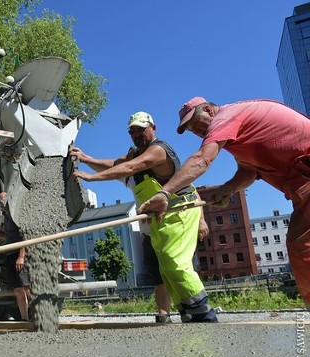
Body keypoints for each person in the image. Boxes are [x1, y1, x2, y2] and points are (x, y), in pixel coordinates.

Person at [138, 97, 310, 310]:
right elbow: (249, 171)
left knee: (302, 245)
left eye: (195, 122)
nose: (195, 129)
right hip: (302, 182)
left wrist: (165, 193)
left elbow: (202, 159)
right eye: (191, 128)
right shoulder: (239, 132)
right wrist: (228, 188)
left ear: (209, 110)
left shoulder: (226, 118)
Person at [71, 111, 216, 322]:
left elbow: (131, 166)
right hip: (159, 220)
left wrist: (92, 178)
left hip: (179, 212)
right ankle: (187, 310)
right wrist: (86, 159)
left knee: (175, 262)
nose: (137, 135)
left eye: (141, 130)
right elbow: (117, 164)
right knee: (164, 269)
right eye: (132, 132)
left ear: (153, 128)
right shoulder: (135, 154)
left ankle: (203, 312)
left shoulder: (159, 151)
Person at [0, 191, 30, 321]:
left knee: (26, 288)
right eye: (0, 201)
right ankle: (24, 319)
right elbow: (7, 236)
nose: (2, 204)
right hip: (9, 255)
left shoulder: (16, 214)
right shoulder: (5, 216)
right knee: (17, 291)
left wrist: (21, 256)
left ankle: (40, 314)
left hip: (18, 254)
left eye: (3, 201)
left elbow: (25, 235)